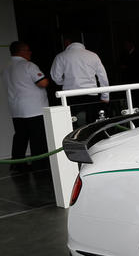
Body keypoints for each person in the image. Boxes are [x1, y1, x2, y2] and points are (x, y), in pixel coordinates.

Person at [2, 41, 49, 172]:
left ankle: (17, 164)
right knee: (37, 138)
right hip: (33, 109)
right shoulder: (28, 65)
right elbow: (43, 83)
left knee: (20, 137)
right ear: (21, 51)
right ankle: (39, 165)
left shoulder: (6, 66)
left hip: (16, 109)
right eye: (28, 50)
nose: (30, 52)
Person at [50, 32, 110, 125]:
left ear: (67, 42)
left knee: (72, 123)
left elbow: (55, 77)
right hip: (91, 94)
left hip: (70, 95)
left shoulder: (61, 56)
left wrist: (64, 82)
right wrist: (105, 96)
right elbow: (103, 77)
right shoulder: (93, 55)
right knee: (92, 123)